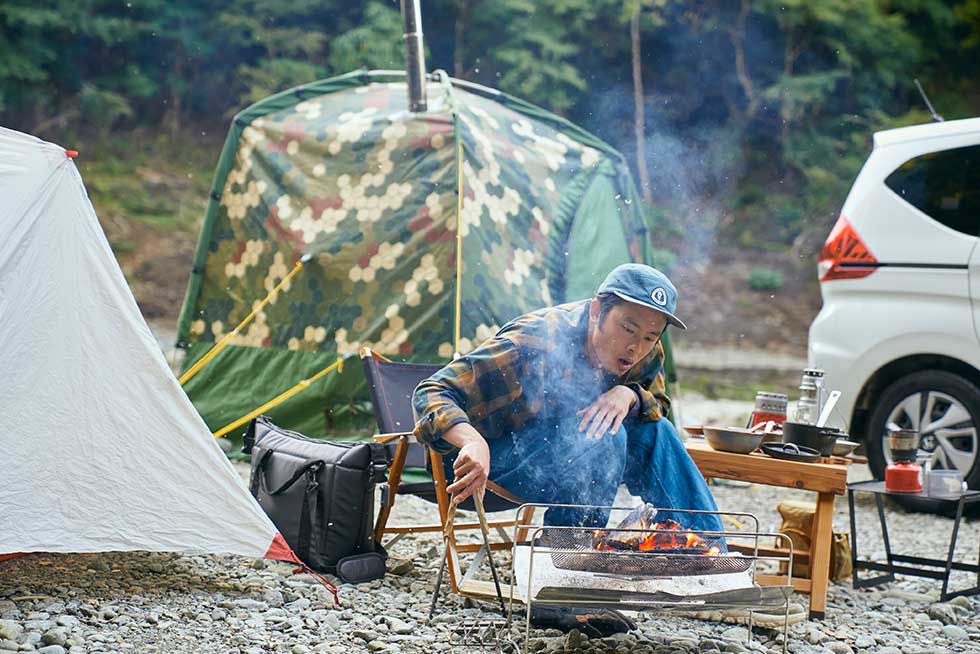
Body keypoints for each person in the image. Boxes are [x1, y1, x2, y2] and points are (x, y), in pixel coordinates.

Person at [412, 263, 723, 535]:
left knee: (657, 432)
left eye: (649, 337)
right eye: (628, 328)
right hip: (481, 460)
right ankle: (566, 565)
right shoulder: (532, 342)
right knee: (602, 435)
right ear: (596, 310)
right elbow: (432, 391)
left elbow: (658, 405)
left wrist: (629, 394)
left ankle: (708, 556)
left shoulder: (645, 352)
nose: (635, 347)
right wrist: (472, 442)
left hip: (570, 458)